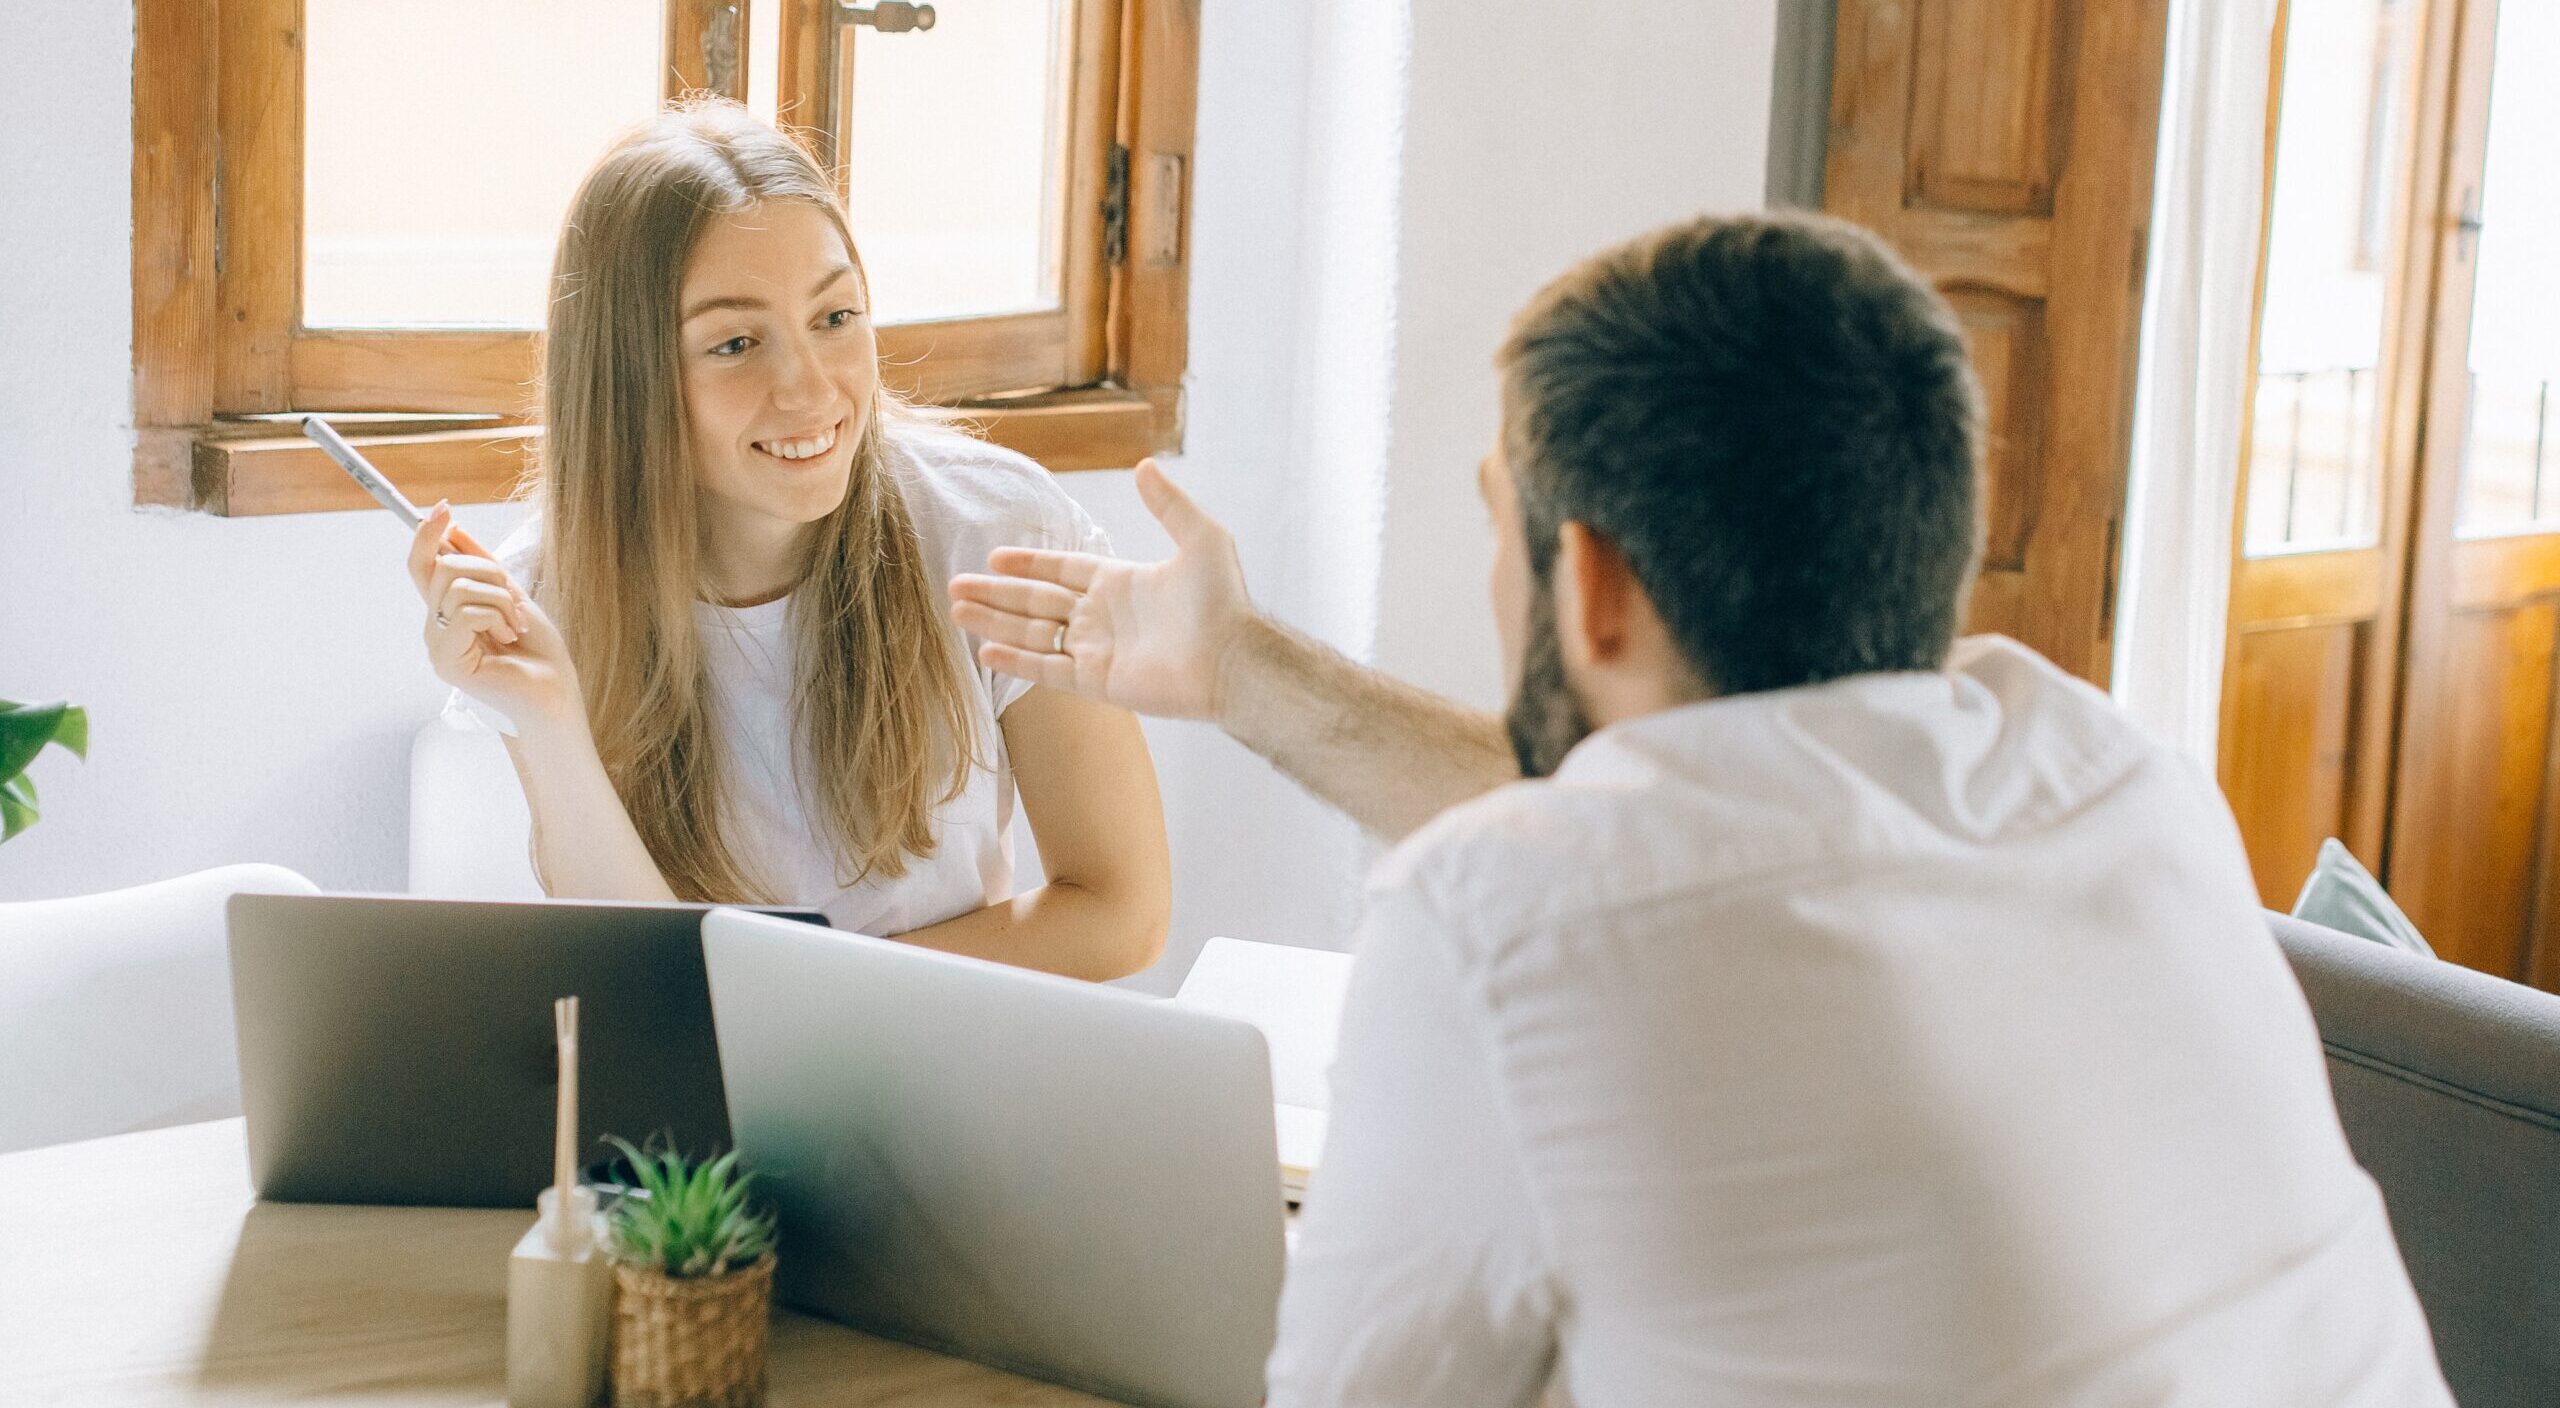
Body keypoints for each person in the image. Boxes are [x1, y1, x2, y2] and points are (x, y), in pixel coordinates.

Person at [950, 213, 2452, 1403]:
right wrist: (1241, 672)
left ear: (1589, 582)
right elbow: (1713, 828)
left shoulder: (1492, 920)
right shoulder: (2100, 767)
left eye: (1498, 521)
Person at [410, 102, 1169, 982]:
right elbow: (645, 986)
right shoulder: (535, 601)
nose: (811, 390)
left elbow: (1123, 911)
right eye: (736, 343)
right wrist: (548, 725)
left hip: (935, 1066)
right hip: (693, 1097)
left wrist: (816, 1003)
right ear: (630, 379)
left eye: (837, 318)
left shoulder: (998, 533)